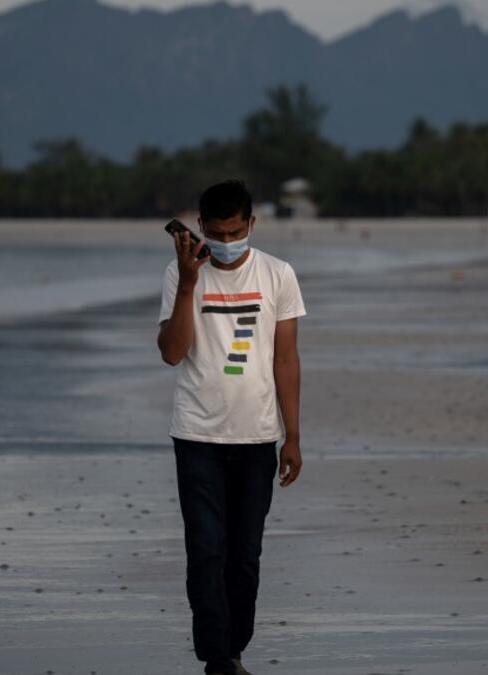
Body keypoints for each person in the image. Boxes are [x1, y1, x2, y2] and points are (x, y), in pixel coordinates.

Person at [157, 179, 306, 675]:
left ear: (252, 225)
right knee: (205, 551)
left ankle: (234, 647)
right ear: (199, 226)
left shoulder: (278, 274)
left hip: (257, 437)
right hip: (196, 435)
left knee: (244, 555)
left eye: (235, 231)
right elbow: (172, 352)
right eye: (217, 233)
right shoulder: (180, 274)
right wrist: (187, 284)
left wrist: (293, 436)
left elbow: (285, 358)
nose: (226, 242)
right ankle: (217, 659)